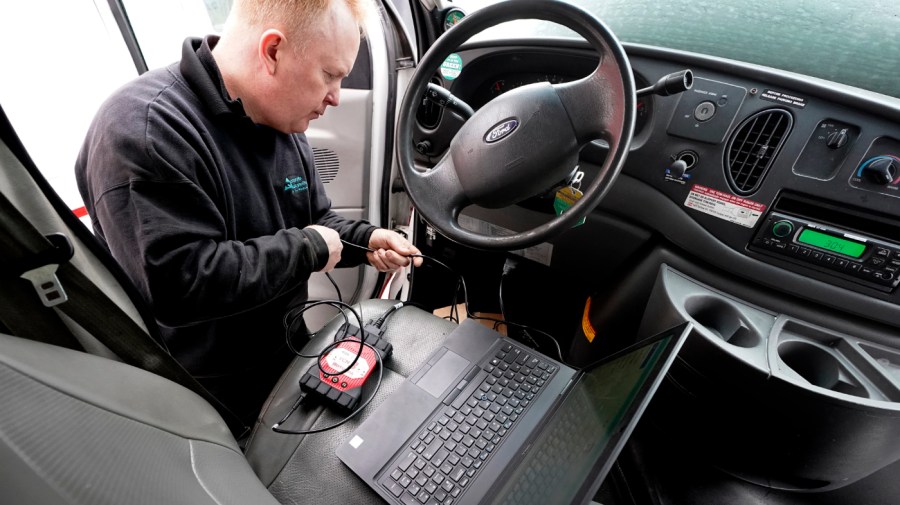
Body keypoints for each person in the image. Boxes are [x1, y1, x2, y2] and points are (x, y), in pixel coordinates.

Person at [75, 0, 421, 424]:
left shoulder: (282, 119)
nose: (335, 97)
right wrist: (309, 248)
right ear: (272, 51)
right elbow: (181, 284)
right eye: (330, 74)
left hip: (286, 354)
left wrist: (364, 240)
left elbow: (314, 220)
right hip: (204, 393)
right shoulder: (146, 131)